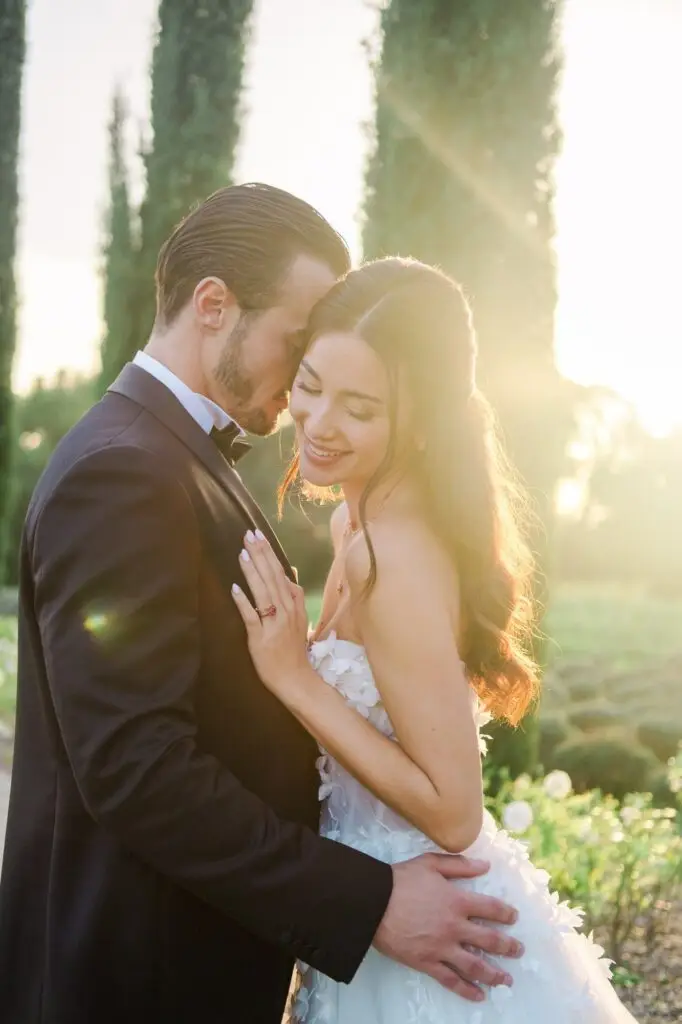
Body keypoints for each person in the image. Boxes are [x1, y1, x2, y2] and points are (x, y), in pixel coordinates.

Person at [0, 186, 522, 1024]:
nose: (309, 383)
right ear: (214, 306)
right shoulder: (122, 472)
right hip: (137, 979)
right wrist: (367, 901)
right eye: (298, 343)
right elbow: (138, 770)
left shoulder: (172, 456)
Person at [230, 257, 639, 1023]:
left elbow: (454, 812)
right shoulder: (356, 522)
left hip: (428, 927)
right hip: (377, 902)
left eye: (359, 408)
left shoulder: (394, 555)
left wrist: (294, 678)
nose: (318, 422)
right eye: (310, 385)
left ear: (419, 422)